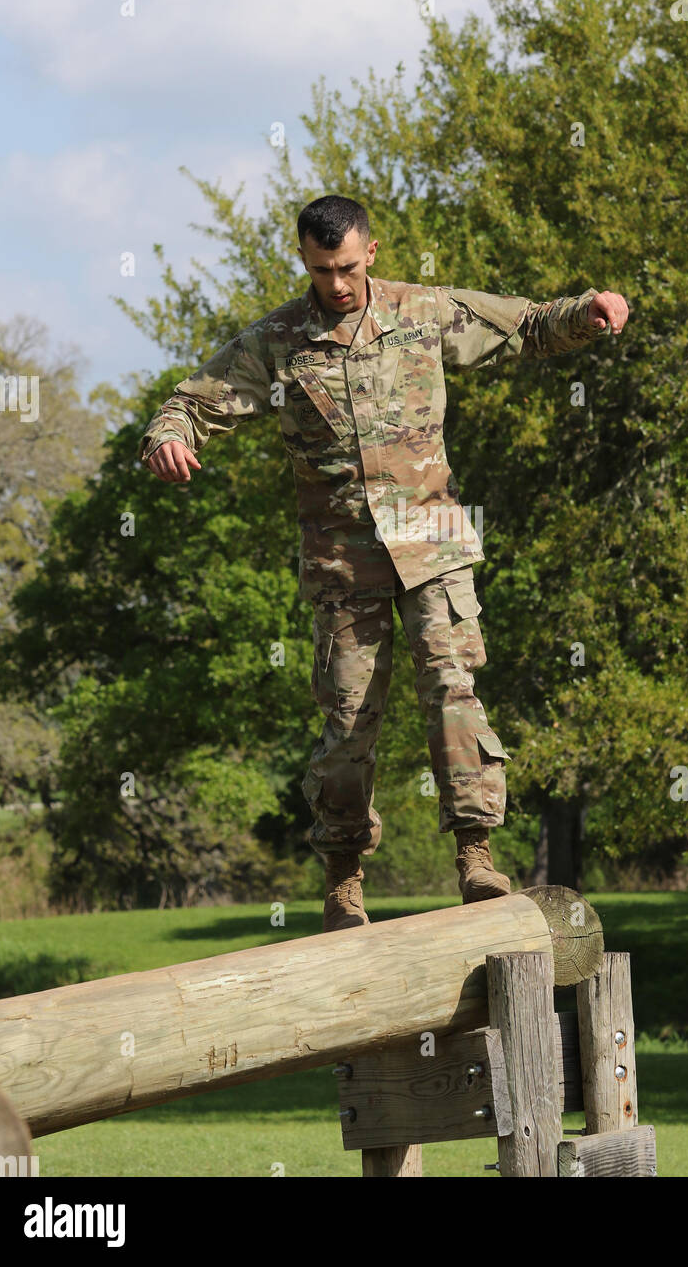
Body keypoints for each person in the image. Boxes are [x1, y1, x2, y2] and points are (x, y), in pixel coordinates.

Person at [138, 194, 628, 931]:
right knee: (347, 725)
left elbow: (524, 325)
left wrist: (588, 309)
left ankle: (476, 856)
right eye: (318, 269)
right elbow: (191, 402)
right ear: (303, 261)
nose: (334, 284)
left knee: (452, 690)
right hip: (343, 569)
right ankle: (343, 878)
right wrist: (167, 438)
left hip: (433, 547)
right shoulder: (279, 342)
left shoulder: (422, 312)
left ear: (370, 251)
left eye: (343, 266)